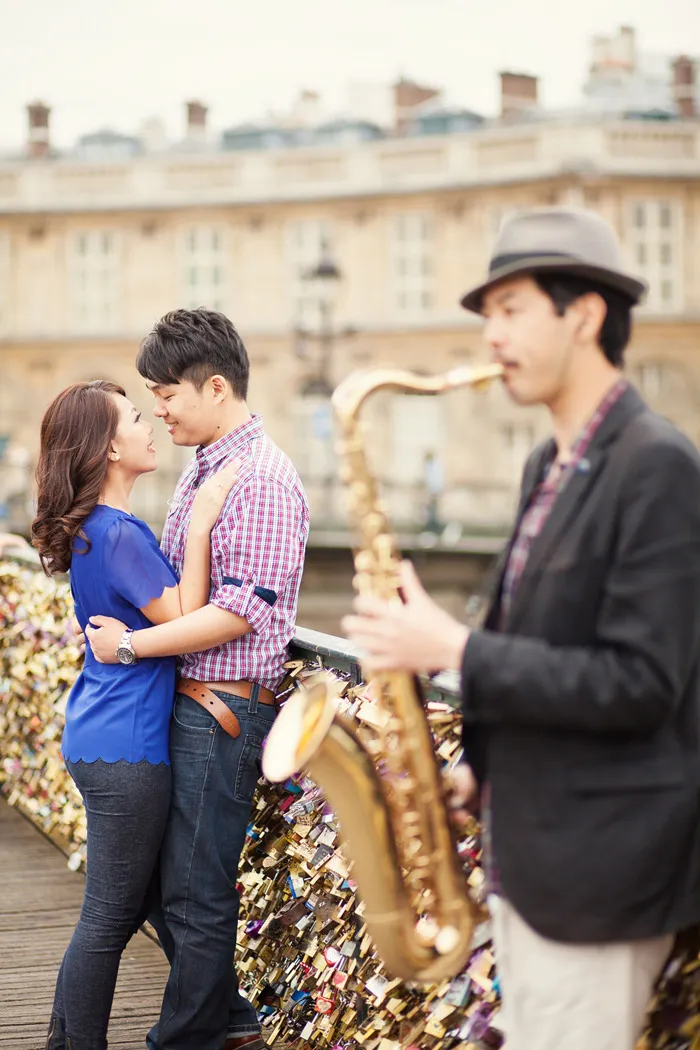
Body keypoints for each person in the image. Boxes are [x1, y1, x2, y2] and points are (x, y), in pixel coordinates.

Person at [342, 207, 700, 1050]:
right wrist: (477, 773)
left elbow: (641, 683)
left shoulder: (660, 466)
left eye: (510, 310)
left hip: (601, 877)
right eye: (486, 314)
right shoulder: (548, 462)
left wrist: (451, 649)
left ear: (583, 315)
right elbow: (551, 645)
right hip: (532, 858)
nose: (489, 334)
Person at [85, 309, 310, 1050]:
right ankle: (234, 1023)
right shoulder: (206, 467)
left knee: (192, 894)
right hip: (185, 706)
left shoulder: (265, 479)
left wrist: (132, 648)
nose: (159, 408)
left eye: (168, 394)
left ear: (215, 387)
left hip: (223, 709)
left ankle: (184, 1039)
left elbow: (236, 615)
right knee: (162, 887)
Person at [32, 380, 237, 1050]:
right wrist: (204, 520)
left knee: (119, 906)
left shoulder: (94, 529)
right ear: (109, 448)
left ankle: (72, 1040)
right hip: (127, 749)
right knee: (111, 915)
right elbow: (187, 617)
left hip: (99, 733)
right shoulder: (119, 533)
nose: (150, 426)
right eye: (135, 418)